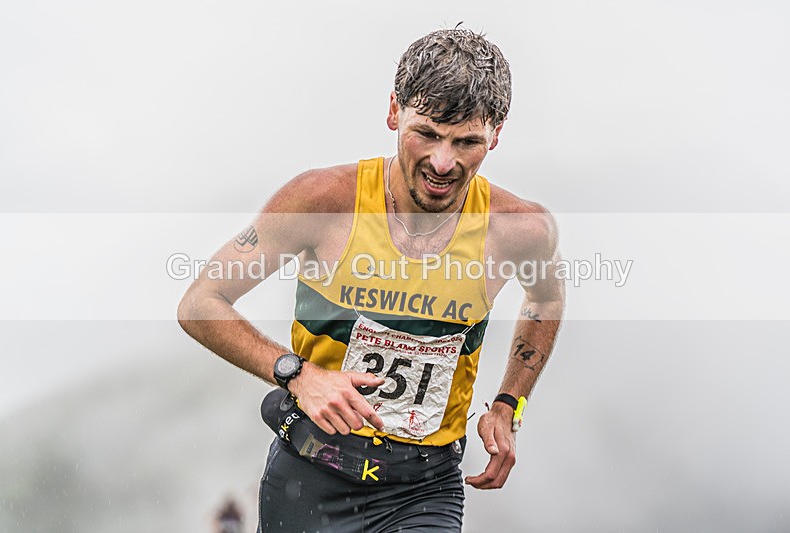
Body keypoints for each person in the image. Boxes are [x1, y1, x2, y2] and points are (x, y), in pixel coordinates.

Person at [178, 26, 564, 532]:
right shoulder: (324, 202)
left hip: (424, 489)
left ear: (496, 134)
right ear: (393, 111)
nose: (443, 163)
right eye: (425, 133)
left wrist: (510, 402)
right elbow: (201, 302)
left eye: (466, 142)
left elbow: (545, 300)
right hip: (309, 477)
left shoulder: (519, 228)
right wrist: (298, 373)